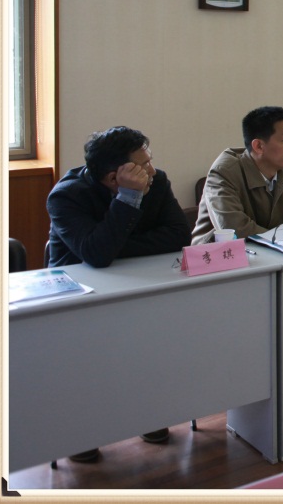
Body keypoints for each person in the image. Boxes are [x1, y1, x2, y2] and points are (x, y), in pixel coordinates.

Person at [45, 126, 190, 460]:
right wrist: (128, 199)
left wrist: (113, 245)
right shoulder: (66, 196)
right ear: (115, 177)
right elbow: (95, 255)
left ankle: (145, 414)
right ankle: (82, 431)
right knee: (86, 359)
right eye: (143, 164)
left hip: (136, 284)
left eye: (150, 160)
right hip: (77, 297)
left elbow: (178, 236)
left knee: (150, 342)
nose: (152, 169)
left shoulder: (157, 181)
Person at [193, 106, 283, 243]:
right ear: (258, 146)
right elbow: (233, 228)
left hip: (273, 252)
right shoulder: (224, 172)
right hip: (219, 255)